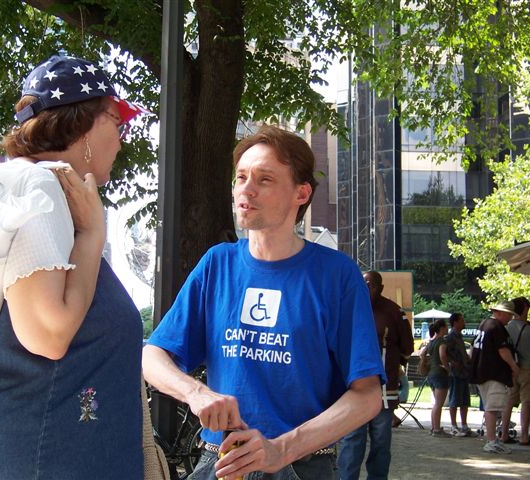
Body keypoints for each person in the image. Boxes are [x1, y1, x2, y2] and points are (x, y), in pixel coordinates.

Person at [143, 125, 385, 480]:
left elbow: (368, 396)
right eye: (241, 177)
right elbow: (153, 355)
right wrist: (195, 392)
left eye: (265, 179)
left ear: (301, 193)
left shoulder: (337, 275)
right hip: (220, 462)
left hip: (303, 465)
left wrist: (282, 448)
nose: (246, 190)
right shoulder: (217, 263)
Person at [0, 55, 147, 479]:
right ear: (86, 127)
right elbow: (48, 334)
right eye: (118, 121)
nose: (122, 138)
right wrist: (94, 235)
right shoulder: (39, 188)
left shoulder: (52, 196)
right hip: (40, 456)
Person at [337, 270, 414, 480]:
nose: (365, 287)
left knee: (380, 443)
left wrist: (393, 368)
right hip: (351, 390)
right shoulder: (346, 308)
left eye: (370, 284)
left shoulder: (393, 312)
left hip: (383, 390)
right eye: (362, 283)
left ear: (380, 288)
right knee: (352, 441)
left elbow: (407, 348)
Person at [470, 301, 520, 454]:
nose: (510, 318)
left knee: (490, 407)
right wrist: (514, 366)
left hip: (481, 373)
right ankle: (491, 441)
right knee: (493, 408)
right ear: (500, 313)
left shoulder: (483, 324)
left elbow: (472, 348)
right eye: (509, 314)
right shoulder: (497, 327)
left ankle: (492, 439)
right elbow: (503, 350)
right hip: (494, 373)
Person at [500, 297, 530, 445]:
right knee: (527, 401)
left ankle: (503, 434)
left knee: (509, 400)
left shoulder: (506, 327)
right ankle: (524, 436)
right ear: (525, 310)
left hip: (511, 367)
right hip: (528, 367)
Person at [444, 312, 472, 437]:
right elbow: (444, 352)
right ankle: (454, 426)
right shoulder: (451, 337)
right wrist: (452, 363)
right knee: (455, 399)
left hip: (464, 372)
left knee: (465, 400)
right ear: (455, 322)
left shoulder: (459, 336)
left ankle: (464, 425)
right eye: (462, 320)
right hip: (456, 373)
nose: (464, 322)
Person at [422, 319, 451, 437]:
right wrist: (447, 368)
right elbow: (443, 355)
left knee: (436, 403)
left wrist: (427, 363)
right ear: (442, 328)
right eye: (446, 326)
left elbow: (422, 354)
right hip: (440, 373)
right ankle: (437, 430)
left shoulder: (431, 342)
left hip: (431, 374)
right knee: (439, 403)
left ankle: (434, 427)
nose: (448, 328)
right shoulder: (442, 341)